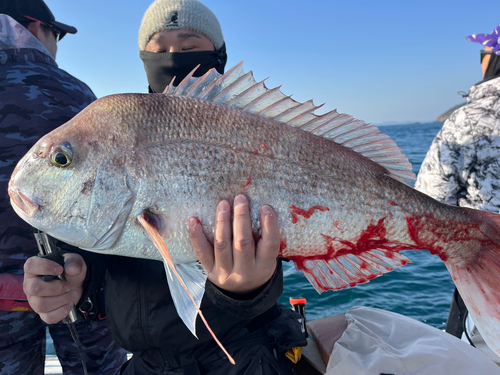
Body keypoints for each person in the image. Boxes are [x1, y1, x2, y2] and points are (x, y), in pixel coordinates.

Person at [22, 1, 307, 374]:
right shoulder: (124, 135)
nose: (173, 57)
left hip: (246, 355)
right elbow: (126, 244)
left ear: (219, 55)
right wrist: (82, 278)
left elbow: (298, 226)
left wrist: (246, 289)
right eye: (158, 49)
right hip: (144, 364)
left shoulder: (255, 130)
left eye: (189, 48)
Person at [0, 1, 127, 374]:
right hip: (75, 283)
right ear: (38, 28)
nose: (57, 45)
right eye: (57, 35)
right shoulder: (75, 95)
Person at [415, 23, 500, 362]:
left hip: (489, 272)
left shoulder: (468, 120)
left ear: (490, 59)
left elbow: (429, 202)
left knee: (473, 358)